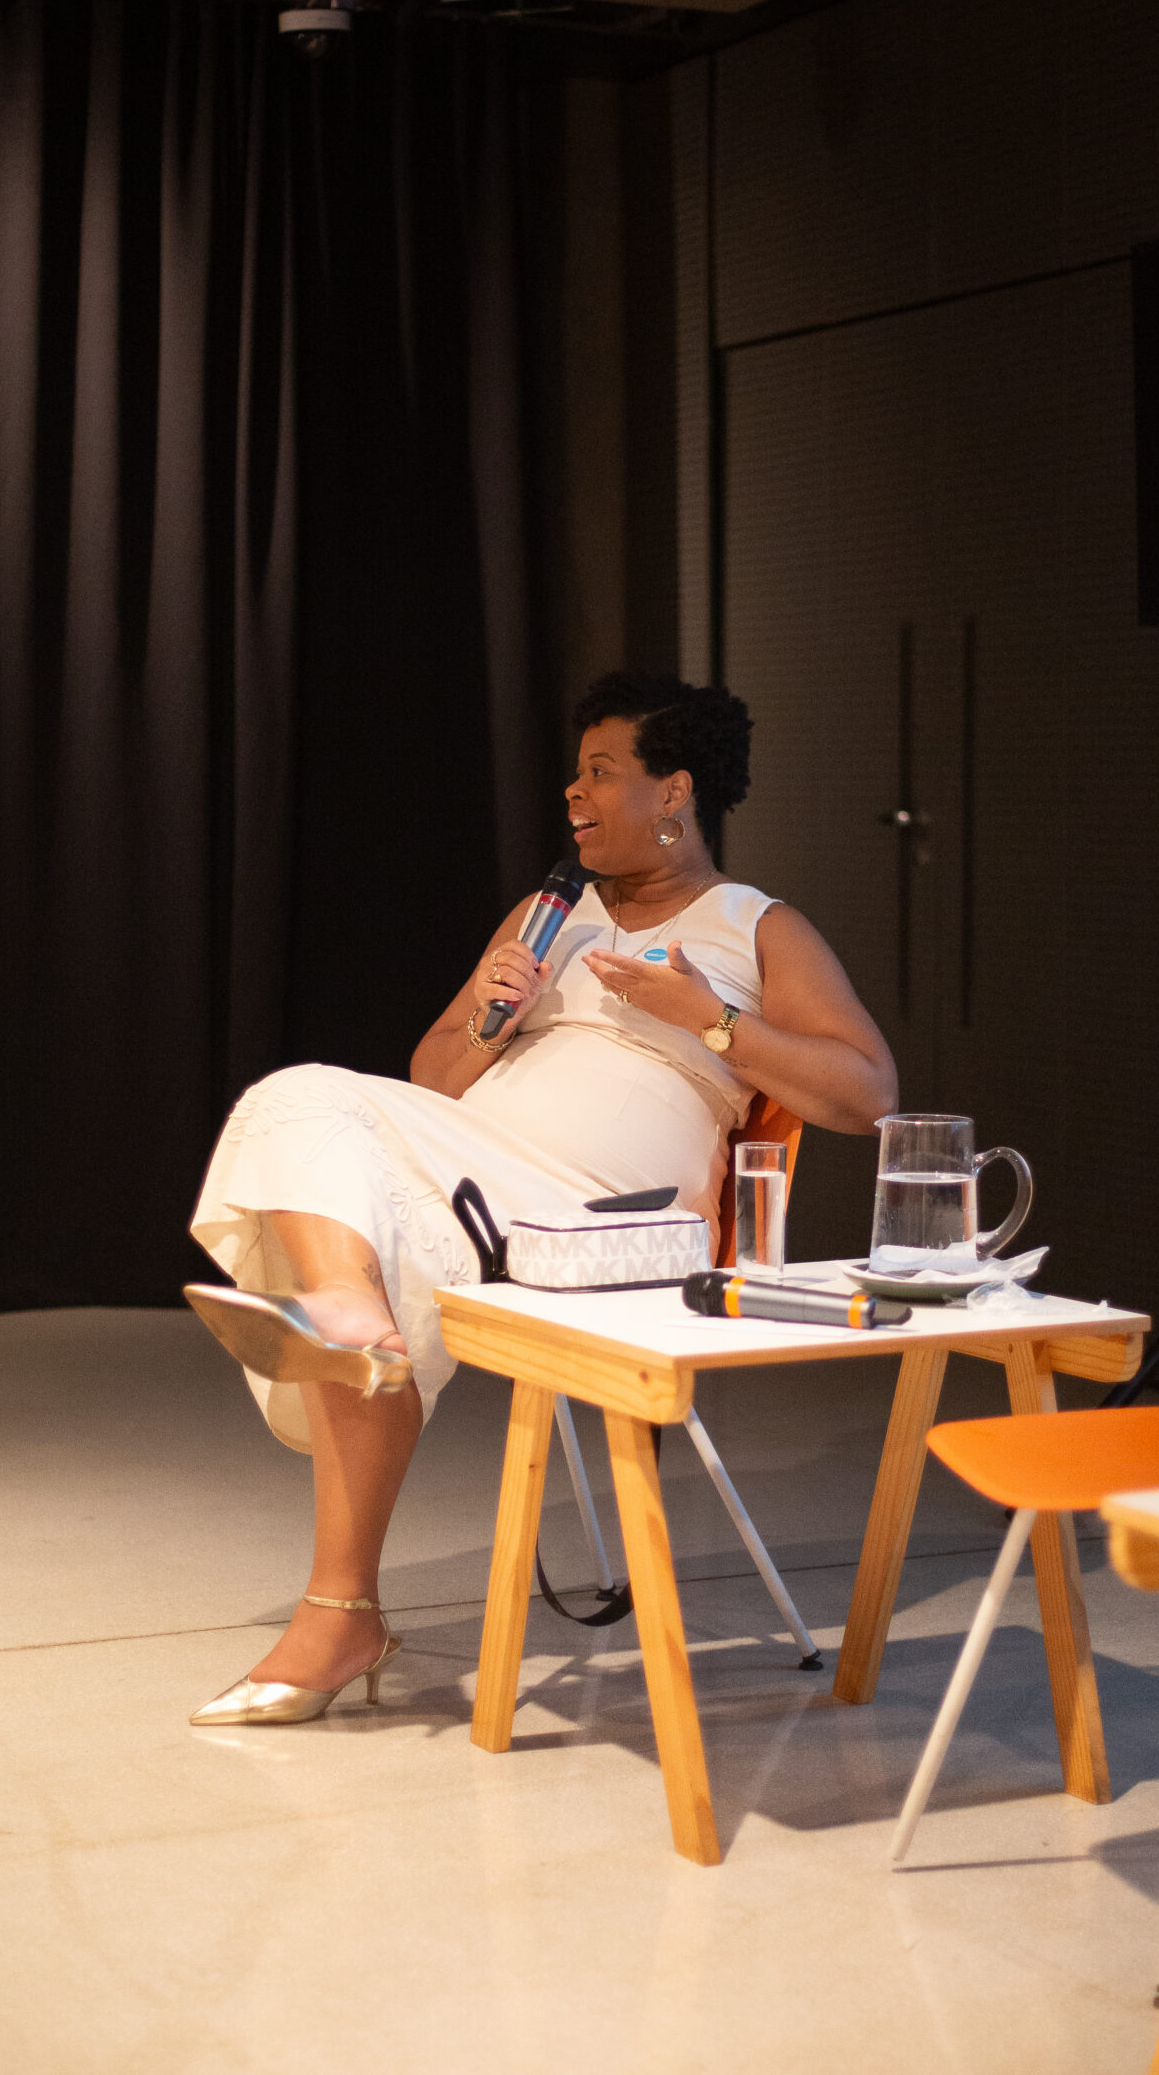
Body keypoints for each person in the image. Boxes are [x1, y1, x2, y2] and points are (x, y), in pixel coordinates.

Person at [184, 671, 897, 1725]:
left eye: (601, 771)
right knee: (297, 1098)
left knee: (357, 1229)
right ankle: (347, 1337)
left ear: (674, 791)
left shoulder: (757, 927)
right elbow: (431, 1081)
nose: (573, 791)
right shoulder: (546, 913)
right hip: (483, 1176)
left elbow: (868, 1094)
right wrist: (492, 1014)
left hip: (616, 1217)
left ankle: (340, 1573)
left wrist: (708, 1020)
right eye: (575, 772)